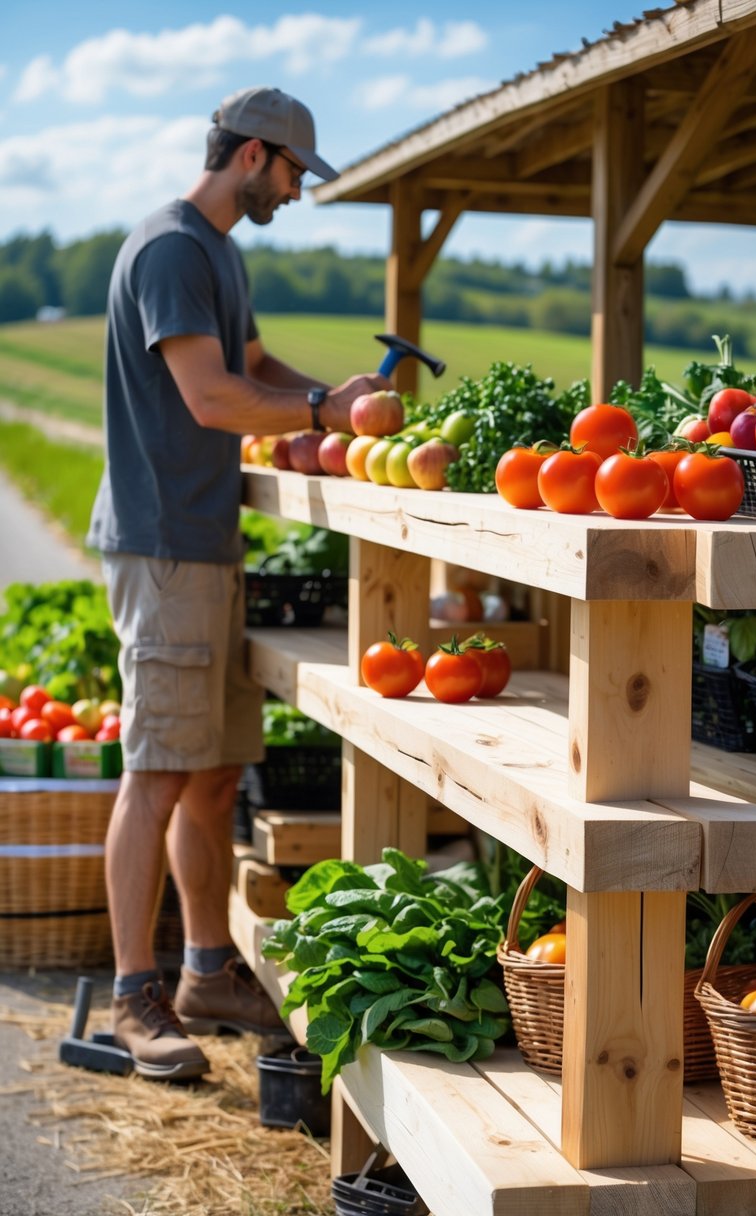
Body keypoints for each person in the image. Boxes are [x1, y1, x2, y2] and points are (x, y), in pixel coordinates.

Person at [86, 85, 390, 1080]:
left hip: (205, 541)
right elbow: (215, 396)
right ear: (253, 155)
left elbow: (252, 360)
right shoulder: (172, 247)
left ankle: (206, 970)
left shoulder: (219, 251)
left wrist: (332, 406)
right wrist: (316, 409)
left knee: (213, 776)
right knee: (159, 772)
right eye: (296, 170)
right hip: (163, 541)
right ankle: (136, 994)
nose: (301, 189)